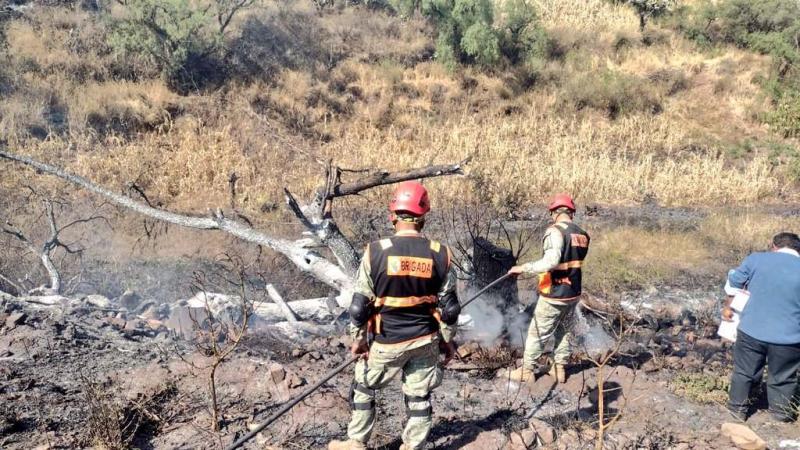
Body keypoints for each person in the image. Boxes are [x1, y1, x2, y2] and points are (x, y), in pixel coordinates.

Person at [328, 181, 461, 450]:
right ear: (423, 216)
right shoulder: (441, 254)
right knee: (419, 396)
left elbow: (358, 307)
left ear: (393, 215)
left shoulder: (375, 251)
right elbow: (450, 309)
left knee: (364, 385)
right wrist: (447, 341)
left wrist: (360, 340)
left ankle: (355, 442)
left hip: (387, 341)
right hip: (425, 340)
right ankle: (413, 446)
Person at [505, 193, 590, 383]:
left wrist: (523, 268)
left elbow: (551, 262)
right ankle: (559, 369)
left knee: (537, 333)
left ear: (554, 212)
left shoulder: (555, 232)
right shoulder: (582, 235)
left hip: (555, 293)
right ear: (571, 213)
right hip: (572, 294)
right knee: (564, 330)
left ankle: (527, 371)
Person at [723, 232, 800, 422]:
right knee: (783, 377)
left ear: (774, 246)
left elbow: (733, 283)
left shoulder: (756, 259)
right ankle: (780, 416)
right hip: (789, 337)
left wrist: (729, 309)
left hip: (751, 330)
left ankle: (737, 411)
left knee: (744, 372)